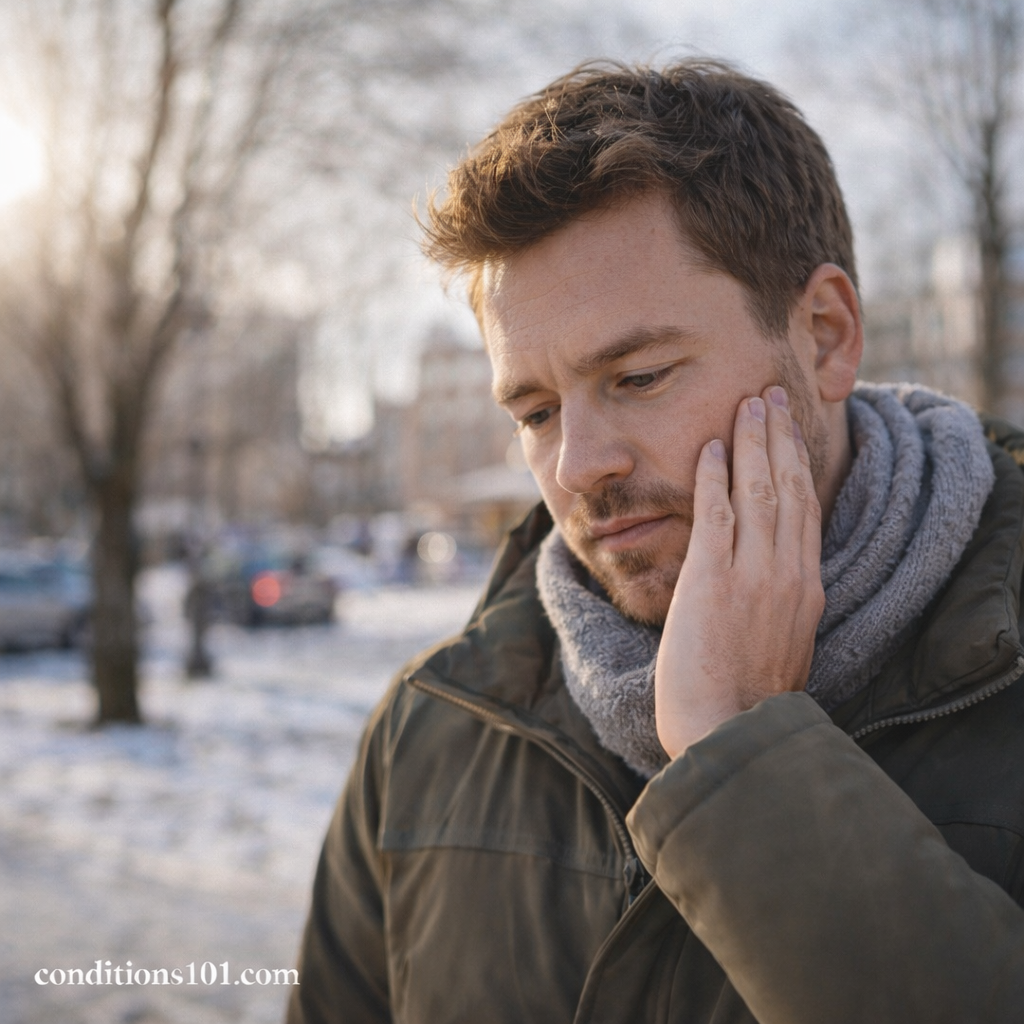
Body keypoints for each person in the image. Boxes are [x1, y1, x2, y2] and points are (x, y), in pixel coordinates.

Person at [288, 61, 1024, 1023]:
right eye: (538, 410)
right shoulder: (434, 727)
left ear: (827, 336)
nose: (578, 465)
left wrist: (741, 747)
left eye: (639, 376)